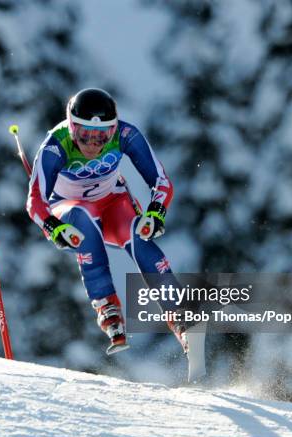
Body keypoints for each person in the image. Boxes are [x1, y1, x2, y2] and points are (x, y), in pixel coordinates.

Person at [26, 88, 182, 355]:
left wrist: (156, 212)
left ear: (113, 130)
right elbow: (35, 200)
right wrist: (54, 227)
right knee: (84, 218)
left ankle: (179, 314)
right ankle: (107, 306)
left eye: (102, 136)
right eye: (85, 134)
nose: (93, 144)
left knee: (138, 234)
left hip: (112, 204)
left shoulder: (125, 135)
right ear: (72, 127)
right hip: (70, 209)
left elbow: (161, 181)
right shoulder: (56, 144)